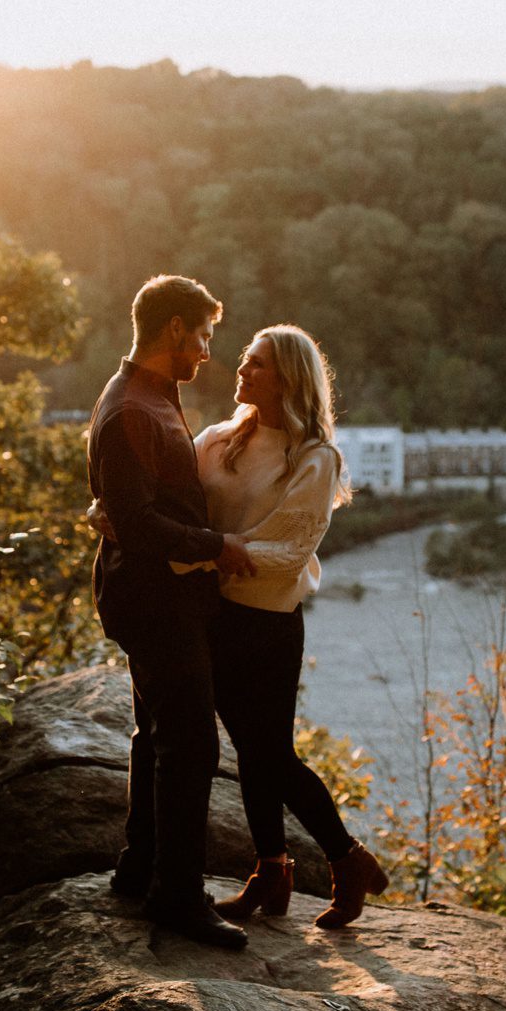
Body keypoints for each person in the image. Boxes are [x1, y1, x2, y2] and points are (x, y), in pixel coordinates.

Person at [94, 324, 389, 928]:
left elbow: (286, 548)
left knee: (268, 755)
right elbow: (165, 500)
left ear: (289, 379)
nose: (240, 371)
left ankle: (345, 858)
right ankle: (273, 870)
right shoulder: (219, 439)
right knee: (251, 755)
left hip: (268, 621)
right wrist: (117, 510)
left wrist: (191, 552)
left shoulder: (315, 459)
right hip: (210, 612)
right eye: (245, 362)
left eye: (256, 365)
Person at [86, 275, 258, 950]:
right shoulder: (134, 408)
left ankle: (140, 866)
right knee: (190, 743)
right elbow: (138, 520)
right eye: (205, 336)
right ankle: (176, 897)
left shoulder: (148, 395)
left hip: (148, 591)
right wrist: (220, 547)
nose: (208, 352)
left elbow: (128, 508)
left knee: (155, 730)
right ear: (176, 329)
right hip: (152, 598)